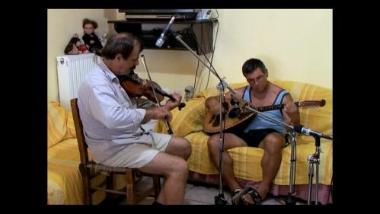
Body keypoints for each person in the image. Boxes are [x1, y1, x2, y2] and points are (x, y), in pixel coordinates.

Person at [77, 33, 191, 205]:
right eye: (133, 60)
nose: (137, 63)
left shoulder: (118, 78)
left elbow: (132, 113)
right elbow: (114, 119)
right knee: (179, 168)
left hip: (132, 137)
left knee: (184, 147)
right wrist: (152, 114)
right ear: (118, 58)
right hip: (114, 147)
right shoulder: (96, 84)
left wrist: (165, 106)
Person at [206, 58, 300, 205]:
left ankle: (263, 189)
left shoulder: (282, 95)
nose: (256, 84)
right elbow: (211, 100)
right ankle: (235, 189)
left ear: (266, 74)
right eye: (251, 80)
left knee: (274, 140)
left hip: (269, 135)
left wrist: (294, 115)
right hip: (246, 133)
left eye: (259, 78)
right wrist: (213, 104)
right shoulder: (242, 92)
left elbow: (295, 126)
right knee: (214, 142)